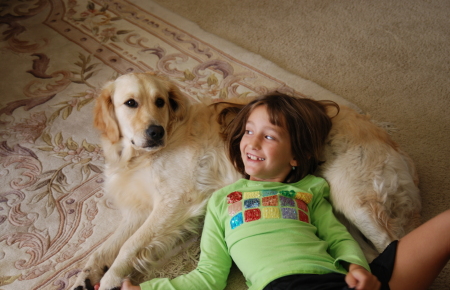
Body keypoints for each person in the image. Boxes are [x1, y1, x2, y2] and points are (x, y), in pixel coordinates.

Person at [121, 93, 450, 290]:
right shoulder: (223, 201)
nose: (252, 141)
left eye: (269, 136)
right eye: (249, 131)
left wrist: (357, 267)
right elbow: (208, 275)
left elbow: (337, 237)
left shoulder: (312, 189)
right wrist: (149, 287)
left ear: (296, 156)